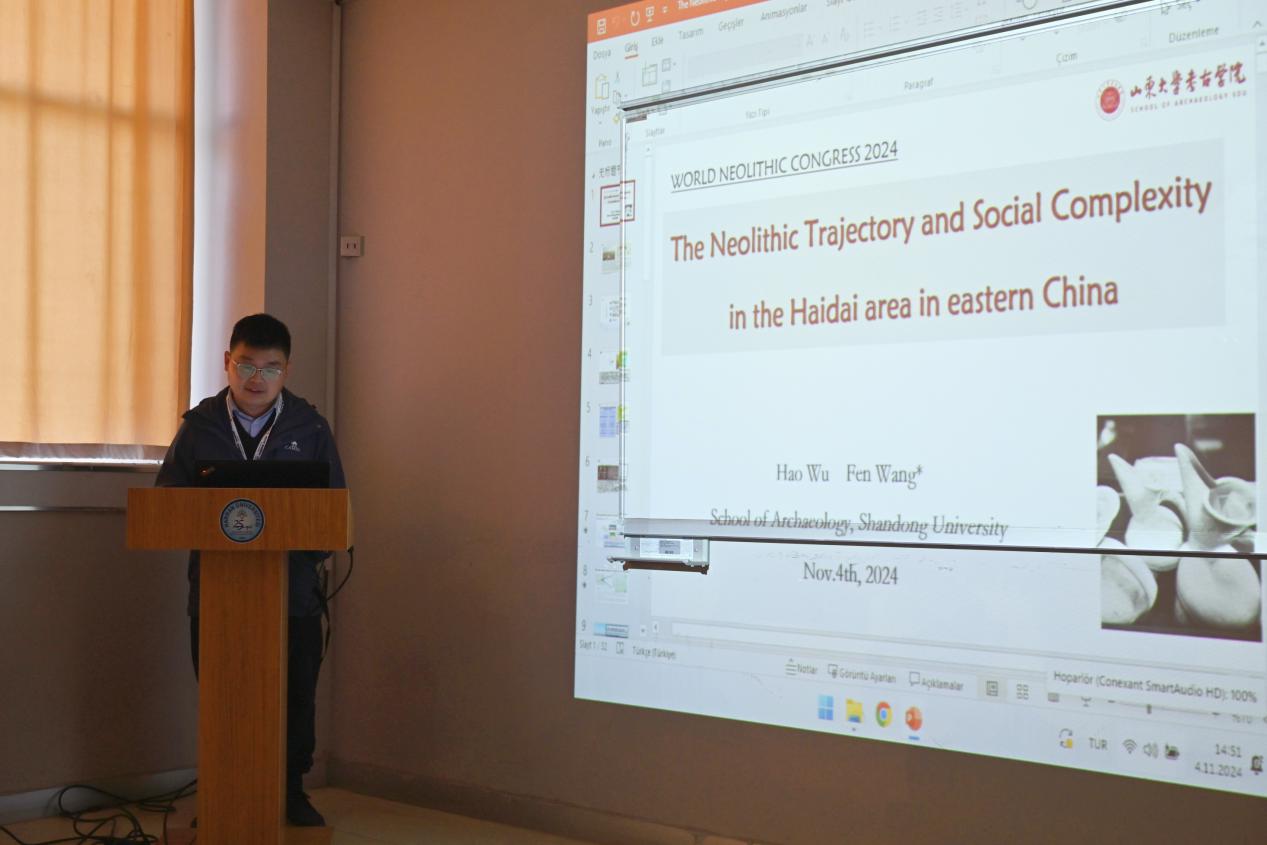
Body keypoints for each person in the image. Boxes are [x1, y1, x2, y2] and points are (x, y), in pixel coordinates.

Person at [156, 313, 345, 827]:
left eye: (270, 368)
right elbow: (167, 503)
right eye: (246, 365)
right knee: (223, 694)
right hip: (216, 592)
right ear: (227, 362)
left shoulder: (309, 427)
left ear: (287, 370)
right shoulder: (199, 427)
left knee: (294, 696)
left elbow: (334, 510)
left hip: (293, 593)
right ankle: (224, 793)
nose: (256, 378)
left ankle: (289, 792)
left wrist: (303, 546)